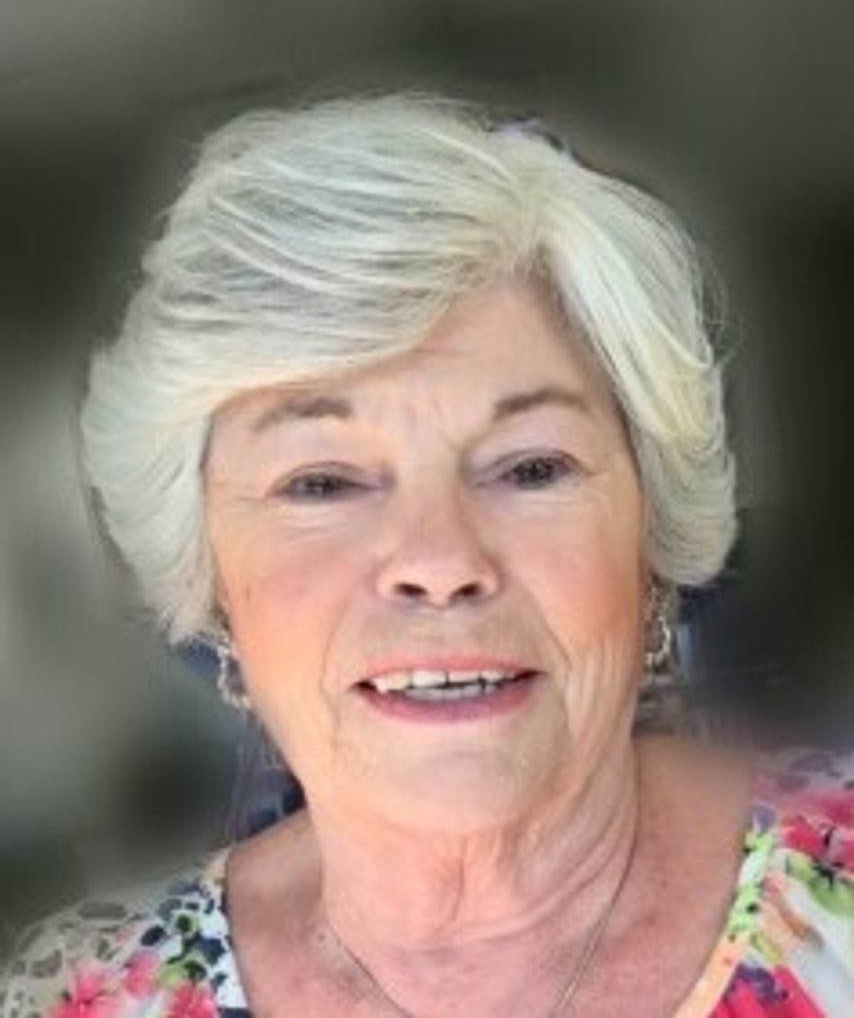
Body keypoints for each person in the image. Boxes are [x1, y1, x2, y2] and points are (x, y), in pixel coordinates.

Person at [2, 91, 852, 1018]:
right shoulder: (76, 1000)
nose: (440, 562)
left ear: (650, 541)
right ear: (212, 585)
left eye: (531, 468)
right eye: (321, 483)